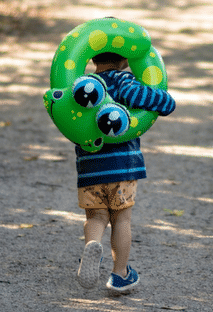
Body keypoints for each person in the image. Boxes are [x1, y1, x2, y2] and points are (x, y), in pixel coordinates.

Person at [75, 51, 175, 292]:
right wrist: (166, 98)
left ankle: (93, 246)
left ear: (92, 57)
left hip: (90, 168)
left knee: (96, 217)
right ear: (126, 59)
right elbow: (164, 104)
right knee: (121, 219)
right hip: (122, 167)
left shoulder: (82, 86)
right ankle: (120, 274)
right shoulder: (124, 81)